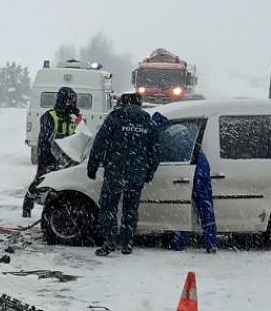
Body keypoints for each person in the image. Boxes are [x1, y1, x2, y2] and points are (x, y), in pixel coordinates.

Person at [87, 92, 158, 256]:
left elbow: (100, 143)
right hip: (137, 173)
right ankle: (127, 243)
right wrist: (149, 171)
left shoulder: (115, 118)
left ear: (123, 103)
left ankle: (109, 239)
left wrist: (92, 166)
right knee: (131, 209)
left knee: (108, 206)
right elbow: (155, 150)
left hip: (115, 171)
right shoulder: (148, 122)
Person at [152, 112, 217, 253]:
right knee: (206, 207)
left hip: (190, 169)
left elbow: (166, 155)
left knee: (181, 206)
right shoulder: (179, 128)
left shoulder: (165, 135)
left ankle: (179, 242)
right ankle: (211, 242)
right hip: (202, 165)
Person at [23, 87, 81, 218]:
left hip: (68, 156)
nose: (71, 104)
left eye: (73, 101)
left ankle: (58, 209)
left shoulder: (75, 117)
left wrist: (78, 117)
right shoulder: (49, 116)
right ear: (62, 100)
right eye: (69, 100)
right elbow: (46, 138)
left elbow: (83, 134)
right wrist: (49, 156)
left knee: (65, 185)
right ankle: (28, 203)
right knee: (41, 181)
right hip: (49, 155)